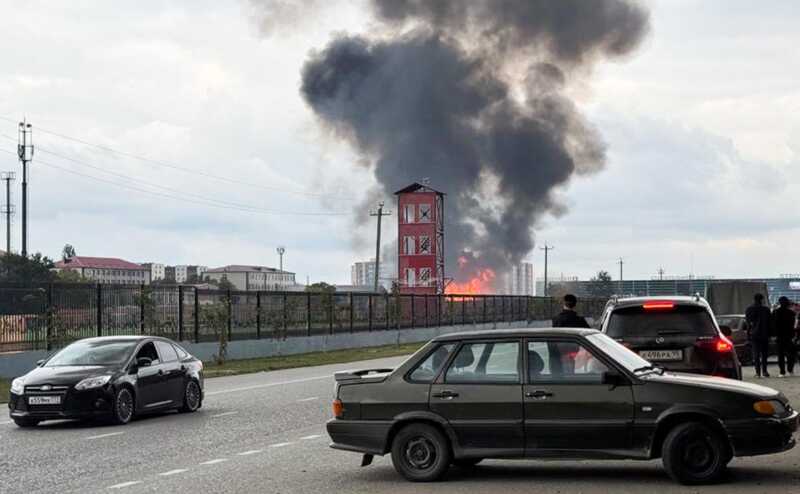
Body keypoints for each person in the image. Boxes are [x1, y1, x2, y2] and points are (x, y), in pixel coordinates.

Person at [746, 293, 773, 378]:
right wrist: (771, 334)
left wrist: (748, 334)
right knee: (764, 354)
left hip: (754, 335)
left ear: (754, 299)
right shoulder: (766, 309)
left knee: (756, 354)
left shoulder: (749, 309)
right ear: (762, 299)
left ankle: (757, 373)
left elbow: (748, 323)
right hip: (765, 334)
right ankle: (765, 371)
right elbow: (770, 323)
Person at [772, 296, 798, 377]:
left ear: (780, 303)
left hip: (779, 336)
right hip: (789, 336)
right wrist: (793, 335)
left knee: (780, 355)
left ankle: (782, 372)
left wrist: (774, 335)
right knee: (791, 354)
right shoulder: (791, 313)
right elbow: (793, 325)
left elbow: (773, 325)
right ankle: (790, 370)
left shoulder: (775, 312)